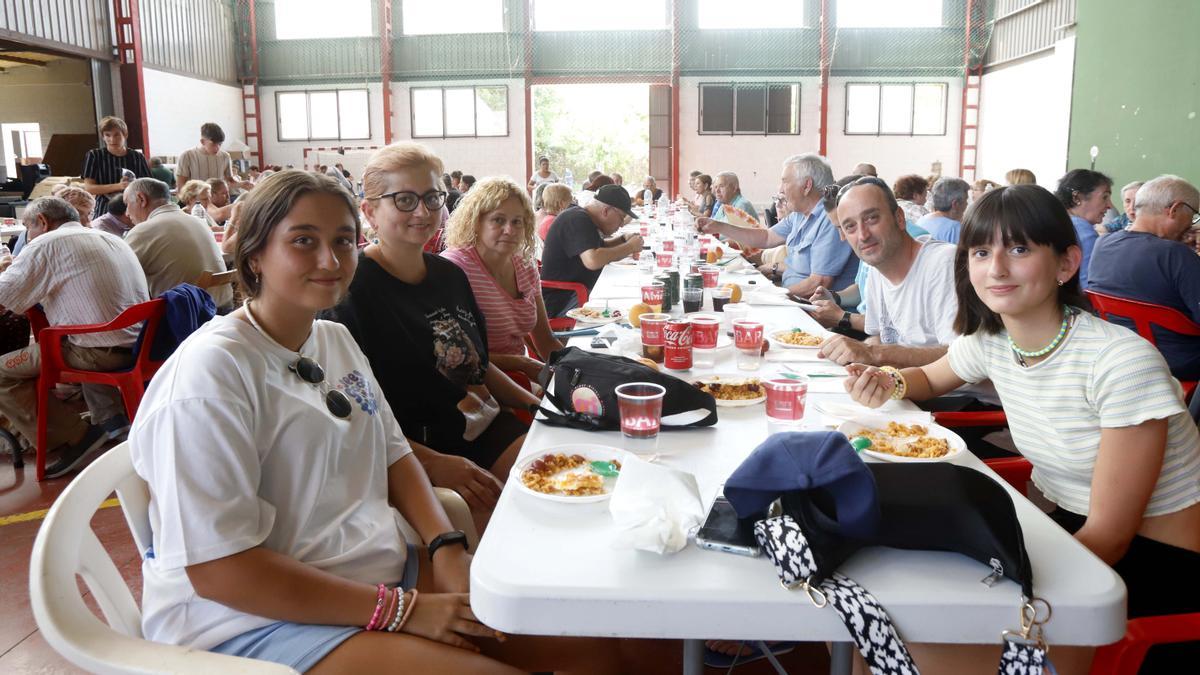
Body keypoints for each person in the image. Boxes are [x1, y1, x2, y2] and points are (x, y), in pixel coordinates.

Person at [129, 169, 628, 675]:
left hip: (371, 574)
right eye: (304, 241)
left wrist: (445, 544)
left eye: (343, 241)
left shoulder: (333, 340)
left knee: (594, 649)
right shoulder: (211, 374)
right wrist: (400, 611)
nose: (330, 260)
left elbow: (394, 453)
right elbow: (220, 570)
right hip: (249, 621)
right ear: (255, 253)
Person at [843, 184, 1200, 674]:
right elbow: (928, 378)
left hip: (1154, 570)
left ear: (1066, 263)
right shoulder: (993, 339)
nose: (997, 269)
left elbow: (1111, 536)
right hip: (1064, 528)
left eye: (1018, 248)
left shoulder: (1120, 362)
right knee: (868, 627)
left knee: (895, 650)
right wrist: (887, 381)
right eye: (981, 252)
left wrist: (996, 585)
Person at [326, 143, 541, 507]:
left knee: (558, 481)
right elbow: (351, 411)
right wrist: (431, 463)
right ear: (370, 211)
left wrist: (541, 408)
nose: (423, 211)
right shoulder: (351, 291)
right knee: (509, 522)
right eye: (405, 200)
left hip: (480, 427)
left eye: (432, 197)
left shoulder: (449, 275)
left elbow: (478, 366)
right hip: (411, 452)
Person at [0, 196, 148, 477]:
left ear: (42, 222)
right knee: (73, 330)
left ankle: (75, 435)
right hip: (139, 345)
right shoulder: (110, 238)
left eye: (27, 228)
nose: (27, 236)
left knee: (2, 372)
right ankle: (111, 421)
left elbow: (3, 298)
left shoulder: (45, 243)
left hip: (98, 352)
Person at [814, 177, 960, 370]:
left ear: (899, 218)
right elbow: (880, 337)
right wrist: (858, 353)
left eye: (872, 218)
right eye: (850, 226)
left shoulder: (944, 263)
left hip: (952, 397)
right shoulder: (877, 266)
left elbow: (960, 357)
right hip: (899, 383)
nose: (863, 235)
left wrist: (873, 354)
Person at [442, 178, 563, 380]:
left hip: (520, 377)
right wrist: (522, 363)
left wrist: (581, 368)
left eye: (517, 221)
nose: (510, 230)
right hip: (477, 387)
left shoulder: (524, 265)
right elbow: (454, 357)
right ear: (475, 221)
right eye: (498, 220)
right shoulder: (454, 269)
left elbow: (545, 341)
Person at [1088, 175, 1200, 381]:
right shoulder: (1177, 255)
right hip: (1178, 362)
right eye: (1193, 216)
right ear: (1174, 209)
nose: (1192, 225)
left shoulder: (1103, 244)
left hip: (1120, 355)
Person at [699, 154, 857, 298]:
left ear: (807, 186)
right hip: (788, 293)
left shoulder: (829, 218)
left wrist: (771, 295)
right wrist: (718, 226)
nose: (780, 189)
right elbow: (766, 237)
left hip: (808, 307)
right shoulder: (799, 214)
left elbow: (820, 283)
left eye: (785, 181)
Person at [123, 178, 233, 308]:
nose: (127, 213)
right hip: (225, 307)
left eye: (127, 204)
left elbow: (120, 278)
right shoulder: (198, 221)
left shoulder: (143, 231)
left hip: (193, 317)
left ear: (141, 199)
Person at [540, 184, 643, 317]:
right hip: (564, 300)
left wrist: (622, 239)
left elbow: (600, 248)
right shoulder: (577, 219)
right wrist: (630, 247)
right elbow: (593, 260)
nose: (622, 223)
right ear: (605, 211)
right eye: (622, 217)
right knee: (625, 309)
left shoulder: (582, 216)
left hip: (577, 292)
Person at [80, 115, 151, 219]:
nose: (112, 139)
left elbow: (148, 184)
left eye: (117, 135)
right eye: (107, 135)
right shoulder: (94, 155)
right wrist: (119, 186)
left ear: (125, 135)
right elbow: (89, 188)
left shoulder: (137, 156)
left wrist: (133, 184)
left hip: (134, 208)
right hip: (105, 209)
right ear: (103, 137)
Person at [1054, 168, 1110, 289]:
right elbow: (1087, 287)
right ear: (1077, 198)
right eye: (1105, 197)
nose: (1109, 205)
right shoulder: (1084, 231)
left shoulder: (1055, 220)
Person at [176, 123, 251, 190]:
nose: (217, 148)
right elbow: (181, 186)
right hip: (195, 202)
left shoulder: (225, 156)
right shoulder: (187, 156)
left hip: (219, 202)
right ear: (202, 141)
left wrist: (242, 184)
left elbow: (230, 181)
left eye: (220, 144)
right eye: (213, 144)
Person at [917, 177, 970, 244]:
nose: (967, 204)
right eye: (966, 200)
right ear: (955, 204)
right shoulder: (955, 228)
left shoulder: (922, 220)